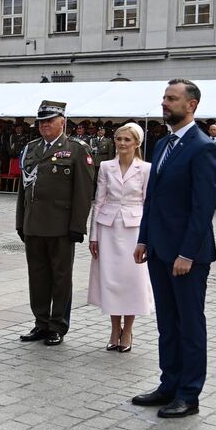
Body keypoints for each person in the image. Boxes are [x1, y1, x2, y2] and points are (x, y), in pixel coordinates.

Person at [133, 79, 216, 419]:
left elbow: (203, 208)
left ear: (191, 105)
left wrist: (187, 254)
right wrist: (144, 238)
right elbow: (152, 198)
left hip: (187, 256)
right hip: (159, 249)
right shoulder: (162, 144)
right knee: (167, 324)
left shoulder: (203, 147)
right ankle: (168, 384)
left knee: (190, 325)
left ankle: (189, 394)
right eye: (164, 97)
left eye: (172, 98)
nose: (165, 103)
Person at [16, 100, 94, 346]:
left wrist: (77, 226)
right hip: (34, 224)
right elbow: (24, 189)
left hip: (61, 226)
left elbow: (83, 192)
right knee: (37, 277)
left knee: (61, 278)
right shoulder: (31, 148)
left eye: (49, 120)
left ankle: (57, 325)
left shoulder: (76, 149)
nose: (44, 125)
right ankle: (41, 322)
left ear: (63, 122)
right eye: (41, 121)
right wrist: (20, 221)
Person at [88, 123, 153, 353]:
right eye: (119, 139)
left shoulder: (146, 169)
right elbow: (99, 200)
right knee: (111, 280)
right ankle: (115, 329)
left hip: (134, 230)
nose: (122, 143)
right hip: (108, 228)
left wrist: (147, 238)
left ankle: (128, 330)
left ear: (137, 143)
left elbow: (148, 203)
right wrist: (93, 236)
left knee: (131, 280)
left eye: (127, 139)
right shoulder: (106, 166)